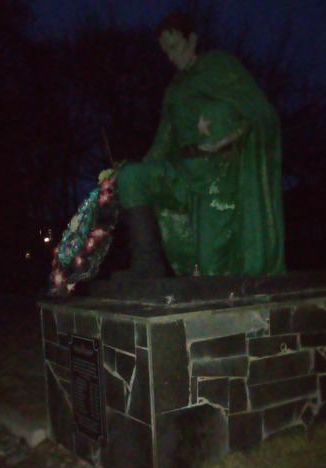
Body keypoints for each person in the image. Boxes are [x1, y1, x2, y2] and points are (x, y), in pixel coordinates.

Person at [116, 12, 285, 277]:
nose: (170, 57)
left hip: (218, 176)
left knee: (210, 269)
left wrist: (222, 133)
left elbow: (258, 112)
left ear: (191, 40)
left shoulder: (220, 67)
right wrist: (132, 171)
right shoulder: (174, 90)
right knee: (131, 177)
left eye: (174, 47)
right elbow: (163, 141)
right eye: (165, 51)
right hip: (182, 173)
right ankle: (147, 264)